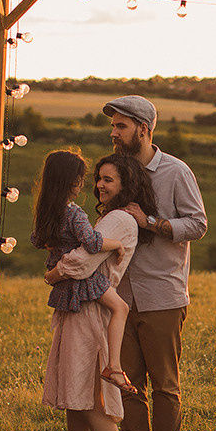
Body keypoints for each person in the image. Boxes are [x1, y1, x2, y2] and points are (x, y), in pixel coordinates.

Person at [103, 95, 208, 431]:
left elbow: (198, 225)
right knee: (127, 382)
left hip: (163, 293)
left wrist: (151, 222)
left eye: (120, 126)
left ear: (143, 129)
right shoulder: (117, 171)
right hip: (120, 296)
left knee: (164, 384)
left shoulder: (177, 172)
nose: (113, 133)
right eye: (113, 126)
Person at [39, 153, 155, 431]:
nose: (99, 186)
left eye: (108, 180)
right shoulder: (108, 218)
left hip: (90, 307)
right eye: (98, 179)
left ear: (125, 185)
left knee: (90, 399)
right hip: (80, 305)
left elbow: (81, 263)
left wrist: (52, 275)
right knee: (74, 394)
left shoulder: (118, 220)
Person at [31, 150, 136, 395]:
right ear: (71, 182)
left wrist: (55, 246)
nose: (83, 185)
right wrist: (117, 244)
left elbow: (37, 240)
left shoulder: (47, 210)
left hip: (59, 274)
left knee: (118, 309)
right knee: (121, 308)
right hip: (84, 279)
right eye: (80, 179)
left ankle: (114, 367)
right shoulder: (74, 212)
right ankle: (114, 366)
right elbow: (91, 243)